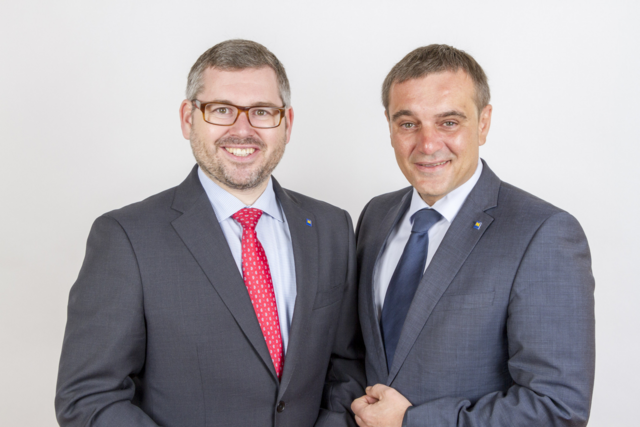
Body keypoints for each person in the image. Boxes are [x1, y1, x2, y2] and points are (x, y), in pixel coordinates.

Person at [55, 39, 365, 427]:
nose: (242, 130)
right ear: (188, 119)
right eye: (221, 110)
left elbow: (347, 366)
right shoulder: (126, 238)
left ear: (286, 123)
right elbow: (88, 397)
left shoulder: (331, 227)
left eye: (262, 111)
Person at [351, 44, 595, 427]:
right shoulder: (376, 216)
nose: (428, 145)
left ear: (483, 123)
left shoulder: (544, 233)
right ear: (390, 126)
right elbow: (358, 357)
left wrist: (411, 422)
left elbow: (556, 408)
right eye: (408, 123)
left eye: (449, 122)